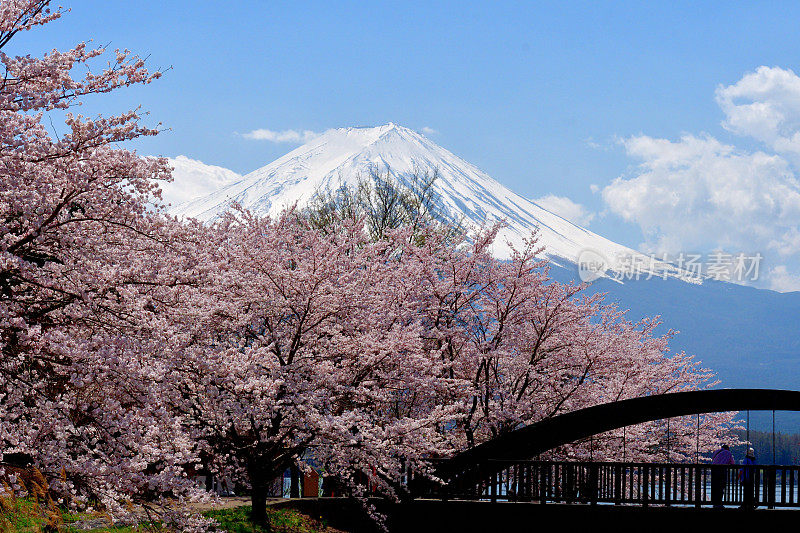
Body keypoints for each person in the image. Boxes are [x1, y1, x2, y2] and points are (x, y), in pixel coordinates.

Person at [711, 444, 735, 508]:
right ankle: (719, 503)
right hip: (722, 471)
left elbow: (713, 459)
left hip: (714, 470)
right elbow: (732, 463)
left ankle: (714, 503)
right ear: (727, 448)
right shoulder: (728, 453)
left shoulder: (717, 451)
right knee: (721, 487)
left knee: (715, 486)